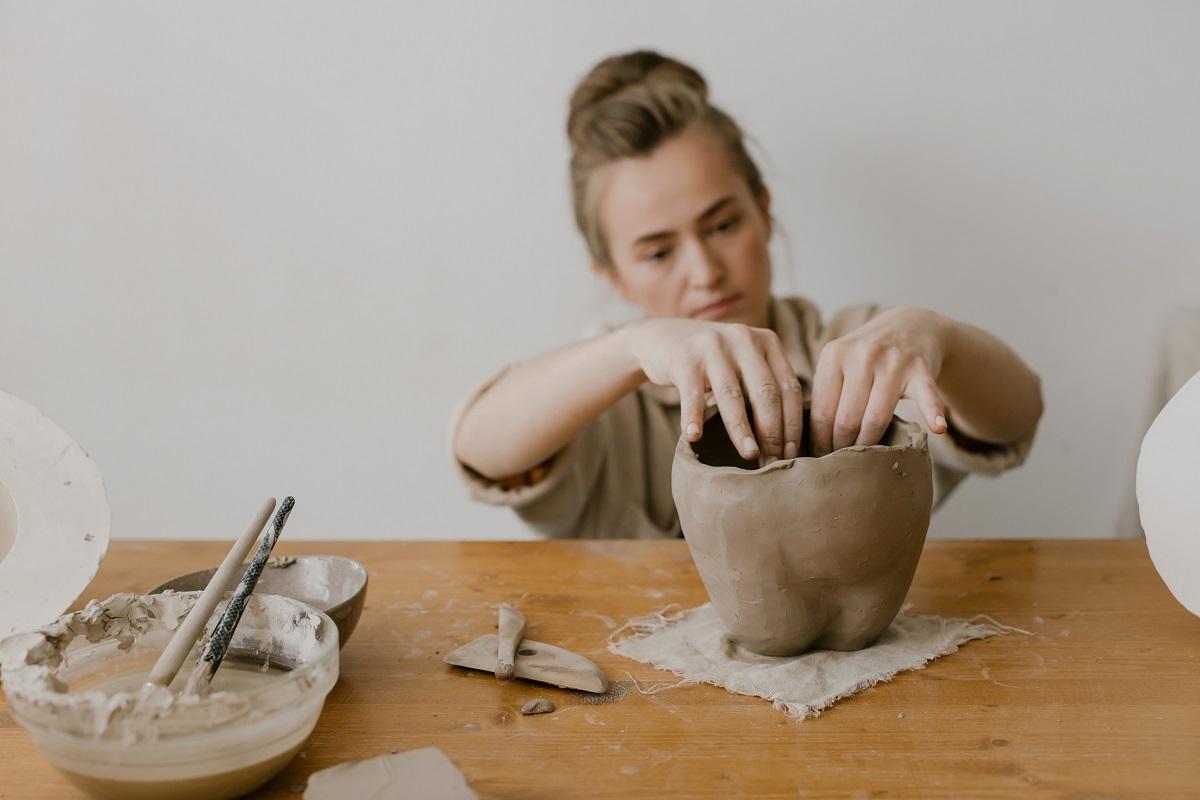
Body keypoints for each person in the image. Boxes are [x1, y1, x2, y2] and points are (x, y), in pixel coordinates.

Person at [450, 50, 1043, 540]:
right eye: (659, 253)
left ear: (763, 211)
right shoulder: (600, 409)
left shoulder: (855, 350)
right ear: (612, 276)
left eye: (723, 225)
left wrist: (936, 335)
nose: (705, 271)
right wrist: (629, 347)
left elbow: (1016, 417)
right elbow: (480, 450)